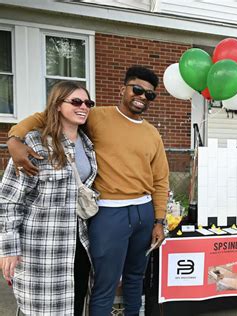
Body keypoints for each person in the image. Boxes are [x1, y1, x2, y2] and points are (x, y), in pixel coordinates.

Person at [6, 66, 170, 315]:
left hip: (143, 212)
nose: (142, 97)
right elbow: (44, 117)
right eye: (137, 89)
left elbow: (161, 179)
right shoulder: (94, 115)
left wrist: (159, 219)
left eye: (149, 94)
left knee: (136, 278)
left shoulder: (152, 133)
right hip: (108, 212)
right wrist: (14, 138)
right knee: (105, 283)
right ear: (122, 89)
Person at [0, 81, 97, 315]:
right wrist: (9, 248)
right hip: (42, 246)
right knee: (40, 308)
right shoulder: (35, 143)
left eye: (87, 102)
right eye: (75, 101)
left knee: (76, 301)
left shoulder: (87, 144)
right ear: (57, 106)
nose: (83, 106)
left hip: (79, 242)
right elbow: (10, 200)